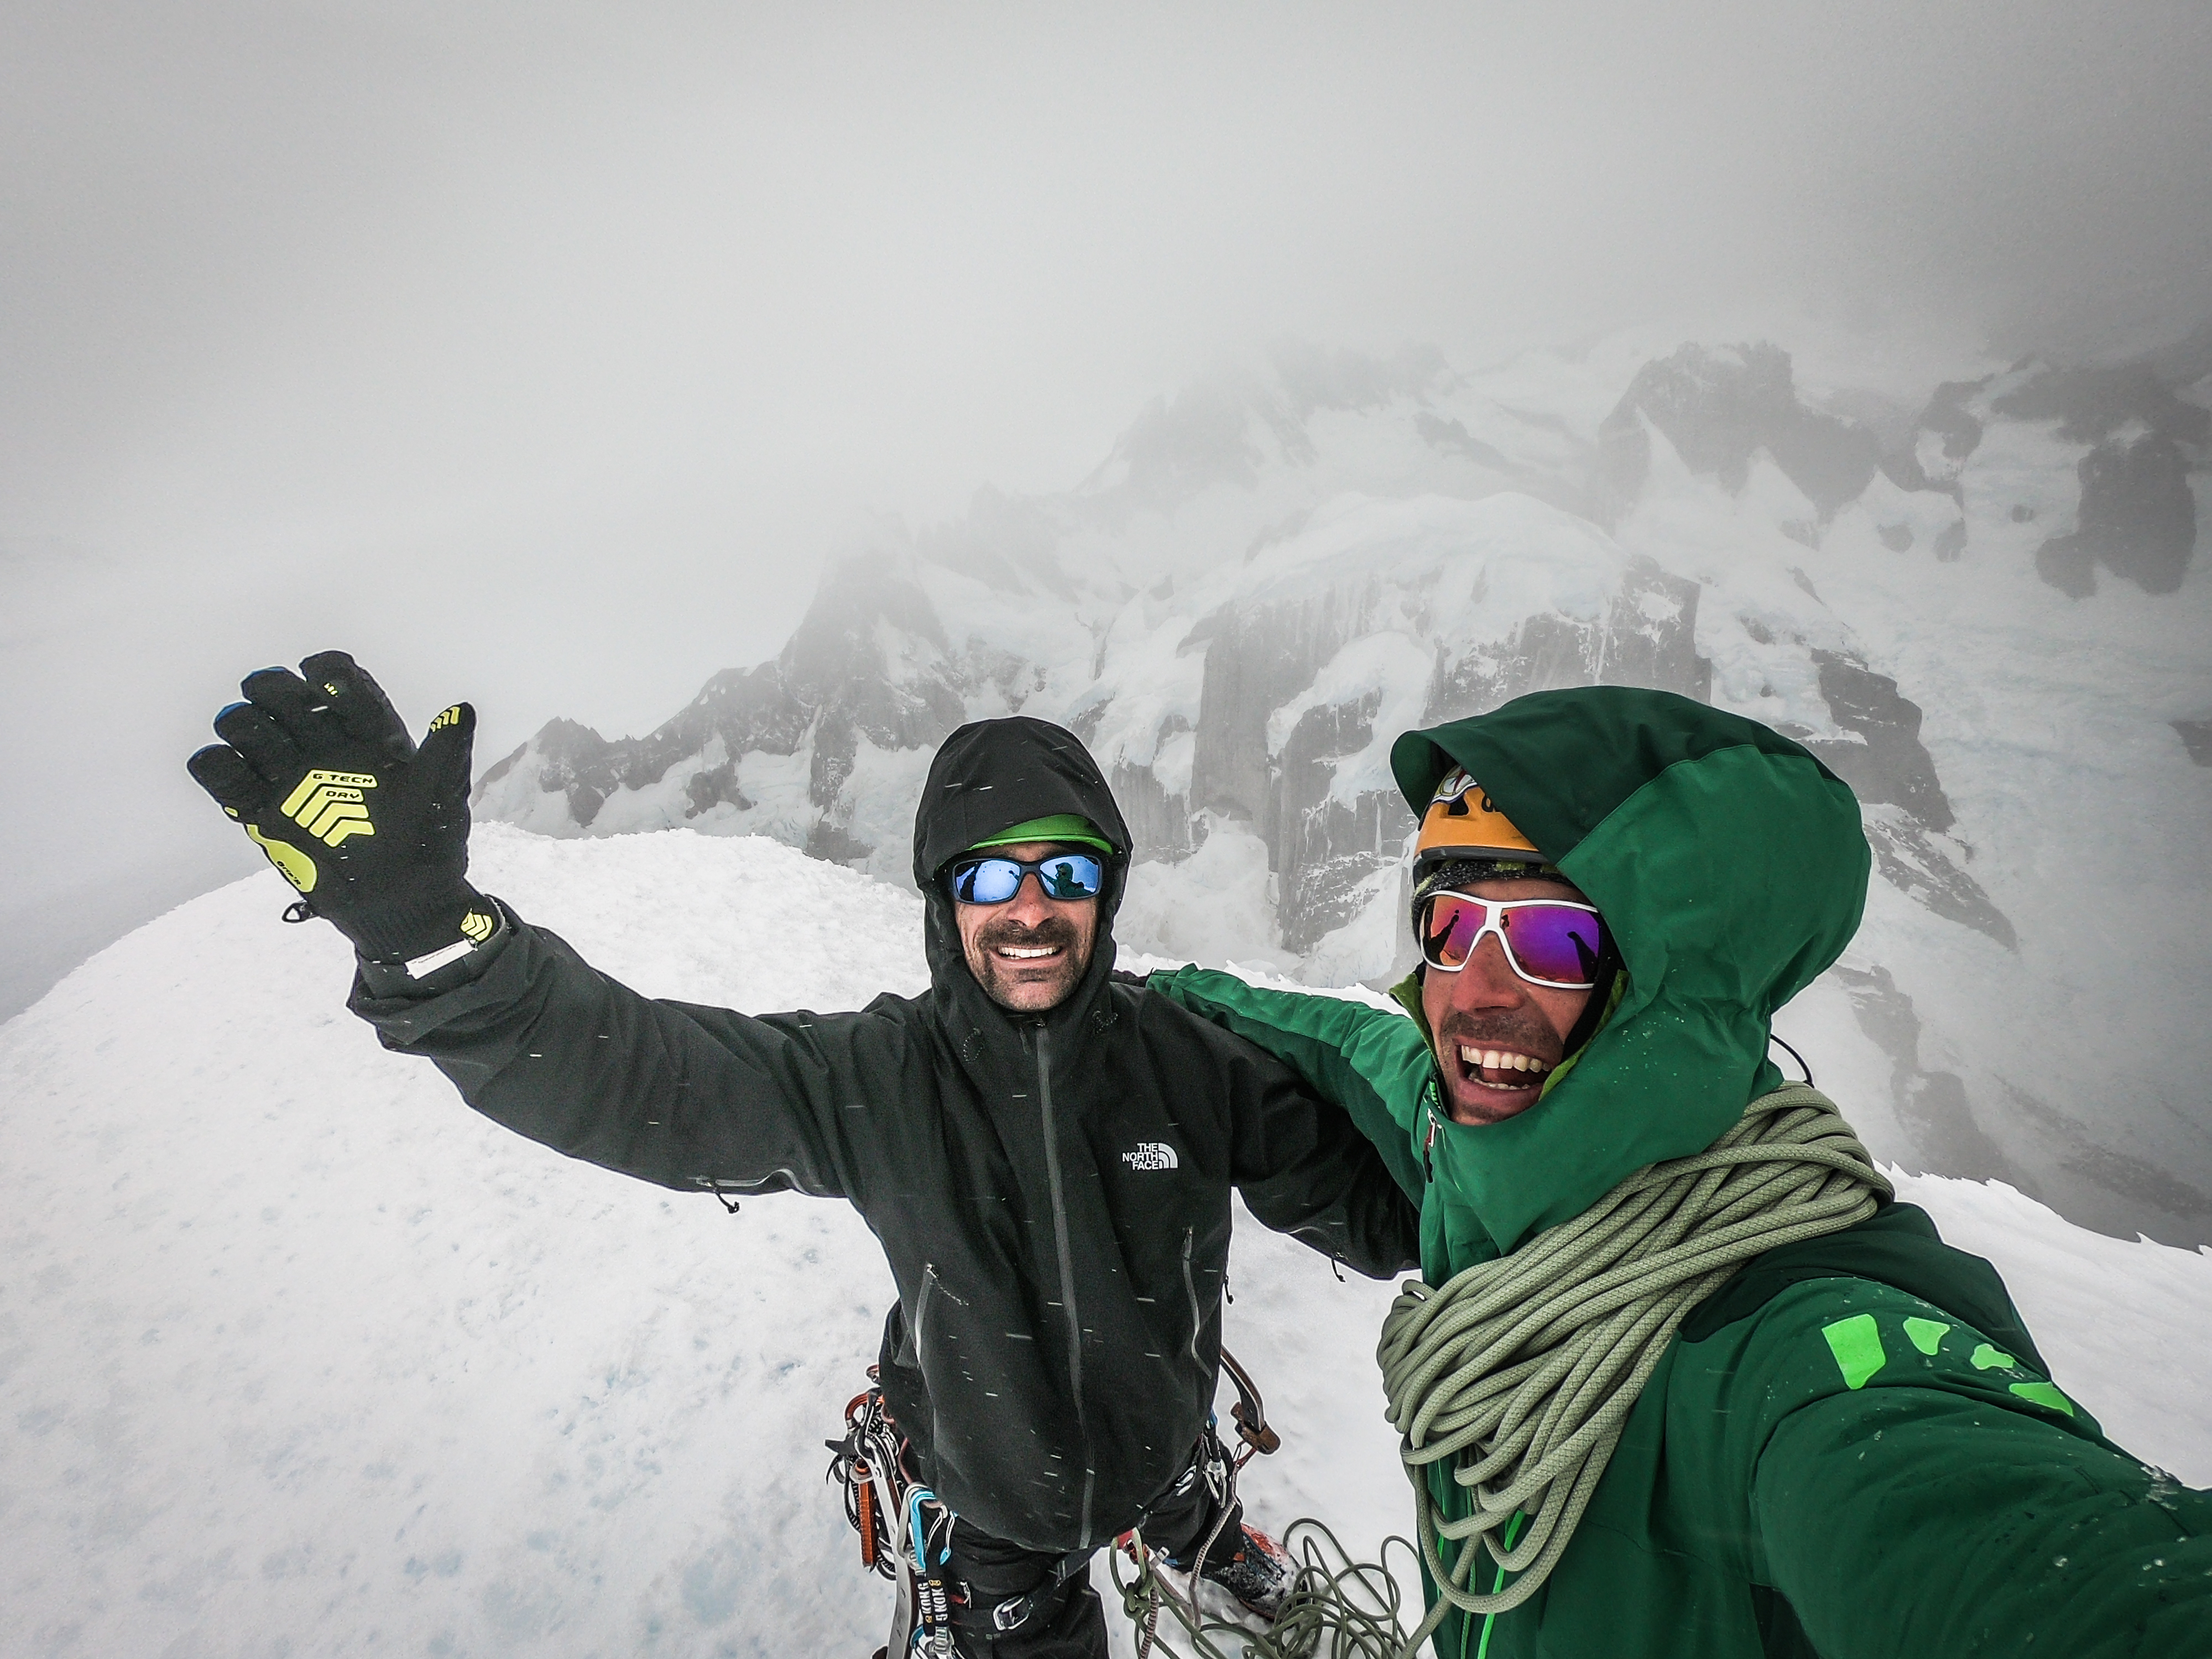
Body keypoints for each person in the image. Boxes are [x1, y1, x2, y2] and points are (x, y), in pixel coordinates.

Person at [185, 651, 1419, 1658]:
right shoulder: (879, 1077)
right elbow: (646, 1078)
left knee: (1165, 1473)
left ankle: (1188, 1523)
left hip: (1157, 1438)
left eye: (1065, 872)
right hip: (994, 1501)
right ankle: (1139, 1537)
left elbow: (1371, 1212)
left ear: (1106, 888)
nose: (1029, 907)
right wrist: (432, 945)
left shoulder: (1192, 1061)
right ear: (945, 899)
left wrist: (1509, 1168)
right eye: (991, 875)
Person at [1150, 686, 2212, 1658]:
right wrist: (1152, 1000)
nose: (1474, 992)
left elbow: (2009, 1549)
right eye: (1451, 925)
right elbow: (1351, 1045)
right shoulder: (1478, 1140)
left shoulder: (1796, 1355)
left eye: (1553, 941)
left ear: (1664, 986)